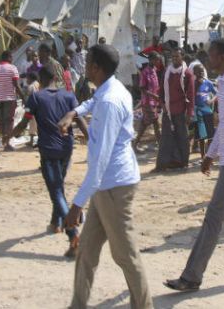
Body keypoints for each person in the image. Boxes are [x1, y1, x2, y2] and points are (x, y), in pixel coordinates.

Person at [58, 45, 153, 309]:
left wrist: (76, 205)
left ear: (96, 68)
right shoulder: (109, 89)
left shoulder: (111, 101)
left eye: (87, 62)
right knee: (86, 252)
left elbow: (100, 162)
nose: (84, 66)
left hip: (114, 186)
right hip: (105, 186)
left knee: (126, 255)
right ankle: (77, 304)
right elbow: (92, 101)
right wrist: (73, 112)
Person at [165, 38, 224, 293]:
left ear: (222, 57)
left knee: (213, 219)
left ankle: (191, 277)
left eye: (211, 55)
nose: (207, 59)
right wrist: (209, 154)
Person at [14, 64, 88, 256]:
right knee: (59, 185)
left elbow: (25, 120)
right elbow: (79, 119)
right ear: (57, 77)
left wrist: (11, 135)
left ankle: (72, 234)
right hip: (67, 147)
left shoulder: (37, 97)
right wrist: (90, 138)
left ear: (40, 78)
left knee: (55, 190)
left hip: (48, 148)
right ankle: (56, 223)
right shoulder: (69, 96)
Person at [155, 47, 195, 171]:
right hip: (168, 110)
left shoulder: (187, 73)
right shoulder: (167, 72)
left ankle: (182, 162)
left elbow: (190, 95)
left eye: (177, 56)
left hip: (181, 110)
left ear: (182, 57)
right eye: (173, 57)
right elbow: (161, 90)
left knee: (182, 137)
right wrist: (162, 105)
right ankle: (164, 163)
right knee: (166, 138)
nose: (174, 59)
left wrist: (189, 113)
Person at [0, 50, 25, 151]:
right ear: (9, 57)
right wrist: (23, 97)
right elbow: (16, 85)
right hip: (9, 98)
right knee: (9, 121)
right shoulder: (12, 68)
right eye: (11, 57)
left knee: (2, 120)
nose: (12, 59)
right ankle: (7, 143)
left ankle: (5, 141)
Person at [133, 52, 162, 154]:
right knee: (153, 122)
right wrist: (153, 96)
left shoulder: (154, 70)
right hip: (148, 101)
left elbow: (156, 87)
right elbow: (142, 88)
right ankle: (160, 145)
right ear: (151, 60)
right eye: (156, 60)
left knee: (149, 123)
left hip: (154, 102)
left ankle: (135, 143)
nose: (158, 62)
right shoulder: (145, 72)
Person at [192, 64, 216, 159]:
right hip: (198, 113)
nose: (201, 73)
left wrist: (211, 101)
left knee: (210, 135)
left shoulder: (208, 83)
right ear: (194, 73)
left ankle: (208, 155)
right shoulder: (192, 84)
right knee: (201, 136)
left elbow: (216, 93)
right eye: (199, 71)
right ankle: (202, 156)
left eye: (202, 71)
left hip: (207, 111)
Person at [24, 72, 40, 147]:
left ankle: (31, 141)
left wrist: (27, 108)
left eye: (27, 78)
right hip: (40, 107)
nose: (26, 80)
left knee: (32, 124)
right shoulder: (38, 84)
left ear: (30, 78)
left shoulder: (31, 86)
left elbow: (29, 98)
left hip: (33, 107)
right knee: (38, 124)